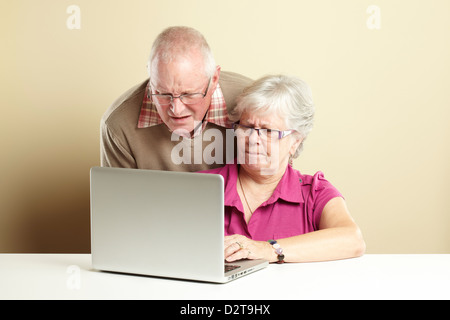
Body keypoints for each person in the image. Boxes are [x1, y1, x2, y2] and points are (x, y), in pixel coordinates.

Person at [201, 75, 366, 263]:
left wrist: (266, 249)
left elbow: (353, 240)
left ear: (295, 141)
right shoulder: (201, 186)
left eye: (268, 131)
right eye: (246, 127)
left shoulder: (314, 192)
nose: (253, 139)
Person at [100, 26, 252, 170]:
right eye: (163, 94)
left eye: (189, 94)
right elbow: (119, 196)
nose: (176, 110)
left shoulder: (253, 104)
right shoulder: (117, 125)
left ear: (213, 79)